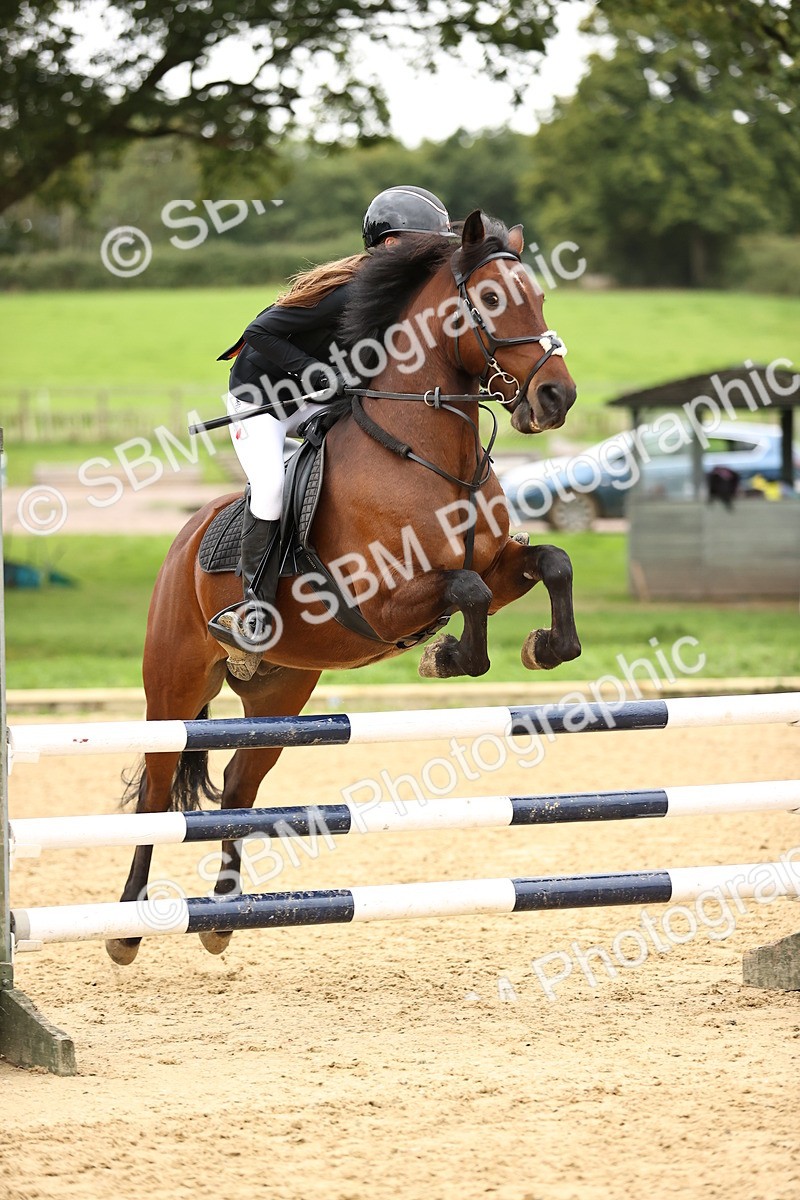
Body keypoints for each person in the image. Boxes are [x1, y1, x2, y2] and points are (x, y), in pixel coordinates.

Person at [208, 185, 454, 675]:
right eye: (427, 247)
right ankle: (253, 610)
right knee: (271, 488)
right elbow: (259, 331)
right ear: (389, 244)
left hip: (321, 397)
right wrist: (313, 372)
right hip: (262, 401)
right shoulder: (348, 290)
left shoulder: (404, 294)